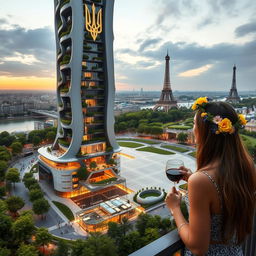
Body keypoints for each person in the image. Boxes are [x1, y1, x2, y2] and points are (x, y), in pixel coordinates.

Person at [165, 97, 256, 256]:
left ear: (205, 131)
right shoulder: (248, 166)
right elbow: (223, 193)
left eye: (194, 124)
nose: (193, 129)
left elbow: (198, 248)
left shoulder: (201, 181)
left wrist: (175, 208)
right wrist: (194, 178)